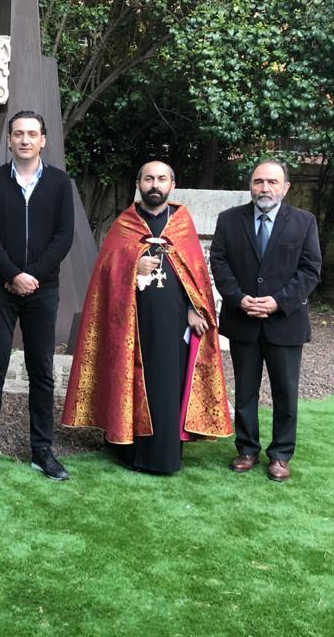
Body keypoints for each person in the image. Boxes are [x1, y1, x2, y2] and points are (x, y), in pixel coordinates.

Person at [62, 161, 232, 473]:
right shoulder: (124, 225)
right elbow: (105, 275)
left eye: (161, 179)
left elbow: (196, 275)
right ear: (139, 184)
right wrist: (133, 265)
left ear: (172, 185)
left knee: (167, 383)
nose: (155, 185)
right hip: (131, 322)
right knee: (129, 380)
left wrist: (194, 309)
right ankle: (127, 450)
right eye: (149, 179)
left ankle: (164, 456)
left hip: (174, 323)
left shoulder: (182, 225)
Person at [0, 110, 75, 482]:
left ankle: (42, 450)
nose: (25, 140)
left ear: (43, 140)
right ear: (9, 140)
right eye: (18, 134)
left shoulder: (60, 183)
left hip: (43, 289)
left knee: (41, 369)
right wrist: (13, 275)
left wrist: (33, 276)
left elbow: (63, 236)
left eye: (32, 134)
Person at [210, 160, 322, 482]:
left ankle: (281, 455)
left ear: (285, 187)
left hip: (285, 323)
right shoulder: (229, 220)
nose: (265, 188)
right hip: (242, 319)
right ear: (250, 185)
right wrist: (238, 298)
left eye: (272, 182)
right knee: (245, 391)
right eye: (259, 181)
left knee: (285, 392)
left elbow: (310, 269)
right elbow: (219, 262)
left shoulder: (304, 222)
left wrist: (278, 302)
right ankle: (246, 449)